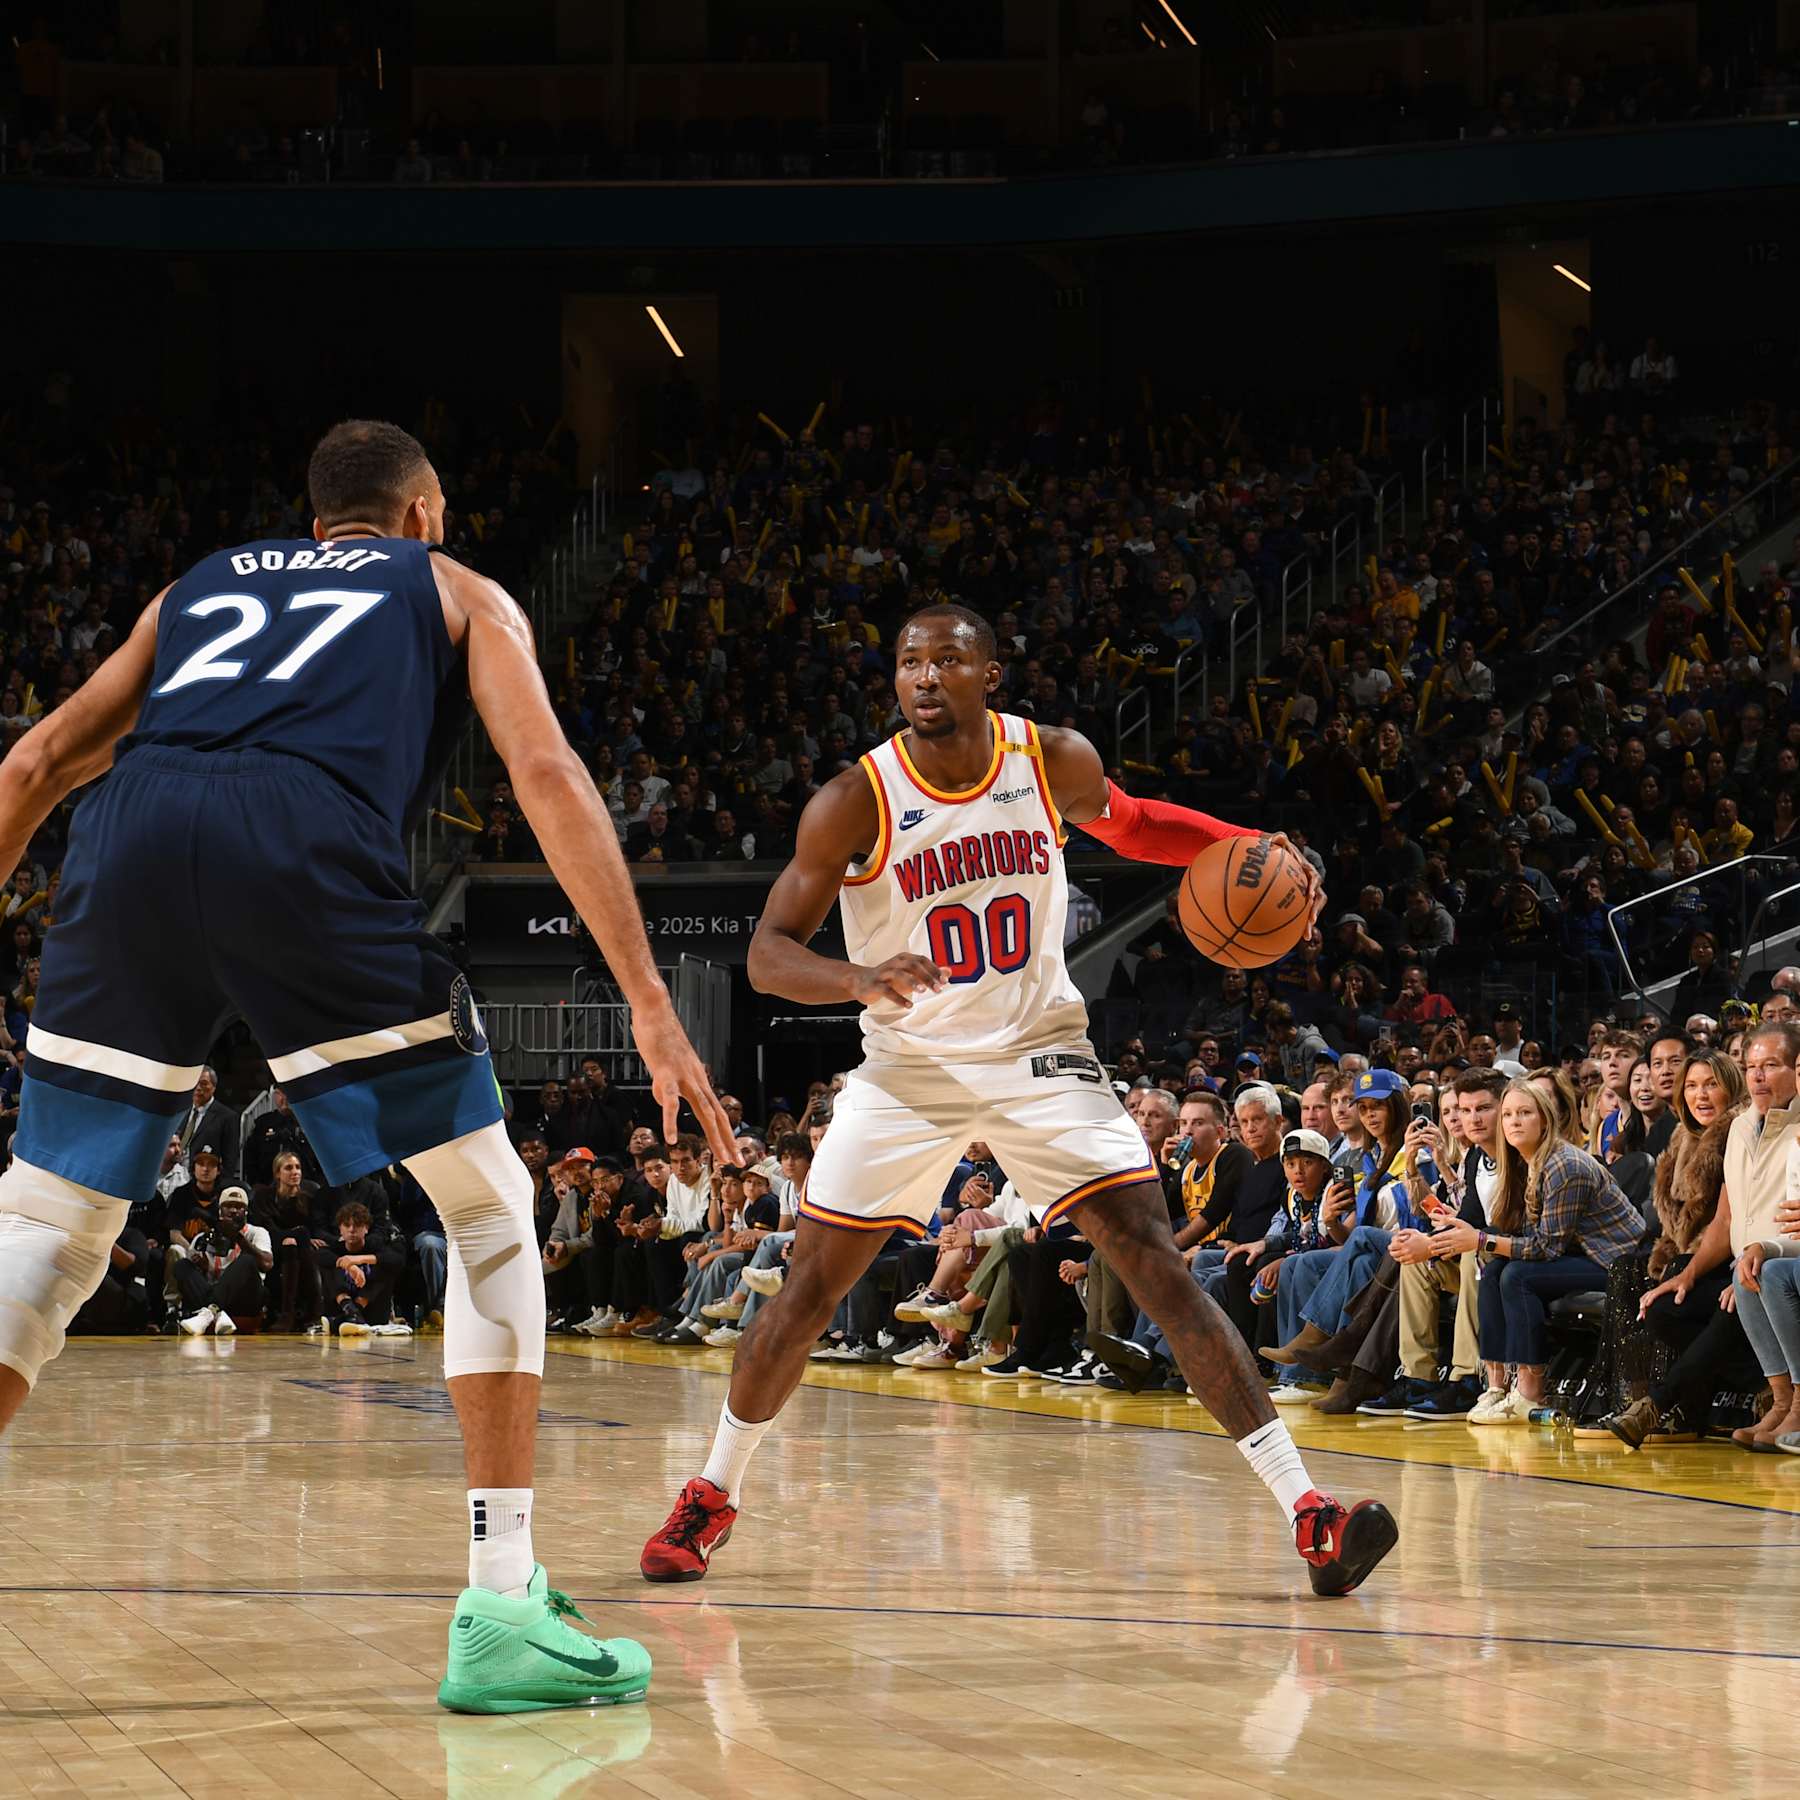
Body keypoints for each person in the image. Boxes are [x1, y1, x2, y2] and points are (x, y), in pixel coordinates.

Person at [0, 420, 736, 1714]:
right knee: (488, 1210)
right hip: (301, 839)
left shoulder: (198, 586)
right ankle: (502, 1603)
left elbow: (34, 762)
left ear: (313, 520)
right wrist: (649, 1001)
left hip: (128, 839)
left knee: (50, 1230)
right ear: (421, 515)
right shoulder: (453, 588)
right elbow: (546, 770)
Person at [641, 604, 1397, 1600]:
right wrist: (857, 977)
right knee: (810, 1286)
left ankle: (1308, 1510)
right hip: (909, 1068)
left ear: (990, 675)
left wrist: (1250, 843)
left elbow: (1136, 824)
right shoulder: (855, 800)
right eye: (909, 661)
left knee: (1156, 1261)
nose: (925, 676)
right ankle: (711, 1493)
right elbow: (768, 955)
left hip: (1040, 1053)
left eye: (947, 659)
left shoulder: (1050, 759)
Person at [1429, 1082, 1643, 1422]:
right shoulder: (1521, 1163)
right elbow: (1516, 1231)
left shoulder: (1564, 1165)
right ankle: (1497, 1385)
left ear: (1544, 1120)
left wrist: (1482, 1241)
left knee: (1517, 1276)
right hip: (1580, 1253)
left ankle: (1529, 1392)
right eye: (1508, 1114)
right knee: (1496, 1270)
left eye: (1524, 1113)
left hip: (1617, 1262)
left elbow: (1546, 1246)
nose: (1514, 1121)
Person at [174, 1184, 272, 1335]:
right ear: (220, 1210)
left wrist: (239, 1238)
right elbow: (198, 1280)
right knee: (182, 1265)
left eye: (238, 1207)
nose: (233, 1211)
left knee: (247, 1260)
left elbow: (267, 1264)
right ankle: (216, 1314)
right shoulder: (204, 1237)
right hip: (214, 1292)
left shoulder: (257, 1232)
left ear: (246, 1211)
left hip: (245, 1297)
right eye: (228, 1206)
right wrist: (203, 1268)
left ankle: (209, 1313)